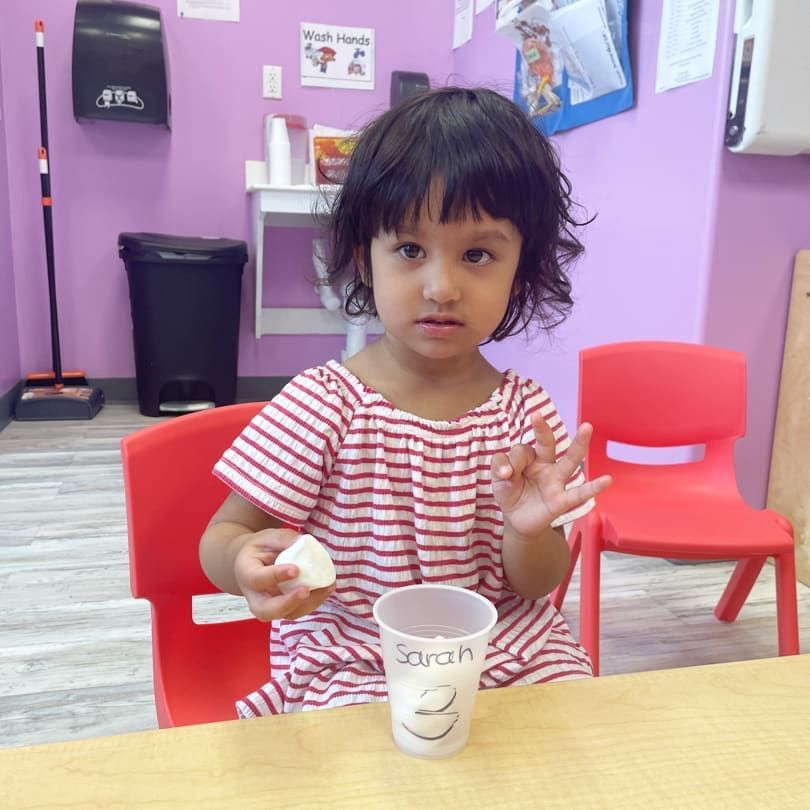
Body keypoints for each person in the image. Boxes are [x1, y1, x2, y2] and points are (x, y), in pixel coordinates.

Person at [199, 86, 612, 718]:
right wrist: (242, 563)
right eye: (410, 249)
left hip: (505, 641)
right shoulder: (324, 404)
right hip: (353, 651)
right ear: (365, 258)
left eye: (478, 254)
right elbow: (225, 533)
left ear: (519, 271)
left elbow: (536, 584)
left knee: (576, 731)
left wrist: (529, 531)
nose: (441, 286)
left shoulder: (523, 416)